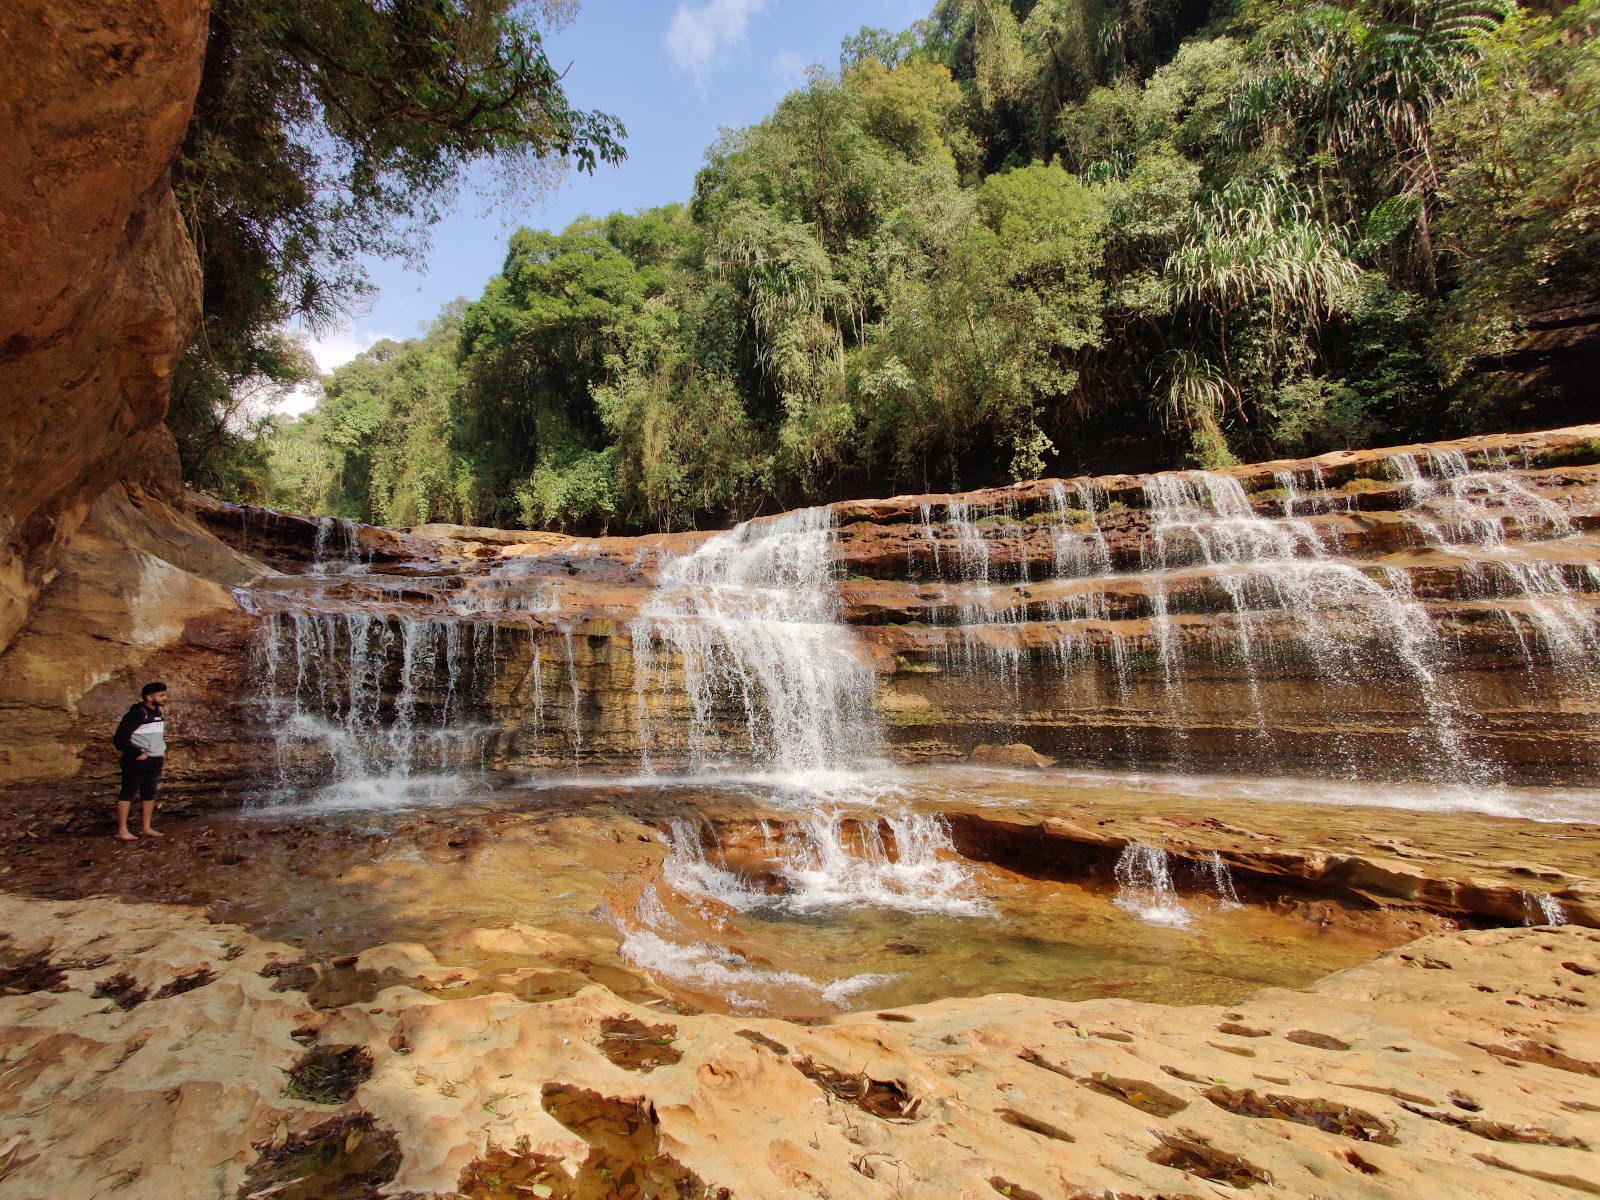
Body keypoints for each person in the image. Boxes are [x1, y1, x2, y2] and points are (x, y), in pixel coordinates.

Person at [112, 682, 169, 841]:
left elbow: (154, 736)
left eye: (164, 694)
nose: (165, 697)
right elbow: (119, 739)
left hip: (155, 760)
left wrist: (161, 752)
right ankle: (122, 830)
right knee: (127, 793)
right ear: (149, 697)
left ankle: (146, 827)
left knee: (149, 793)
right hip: (137, 761)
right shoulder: (137, 714)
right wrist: (138, 753)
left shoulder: (157, 712)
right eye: (161, 695)